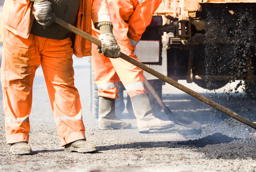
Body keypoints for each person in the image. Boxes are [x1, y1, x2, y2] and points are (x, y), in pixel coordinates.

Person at [1, 0, 119, 154]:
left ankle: (74, 136)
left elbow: (98, 3)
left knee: (64, 85)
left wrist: (106, 32)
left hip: (58, 36)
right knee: (18, 84)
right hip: (22, 32)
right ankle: (17, 138)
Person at [91, 0, 174, 133]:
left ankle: (107, 116)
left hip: (100, 16)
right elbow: (140, 19)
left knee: (106, 66)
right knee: (130, 69)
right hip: (113, 18)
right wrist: (129, 44)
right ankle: (145, 118)